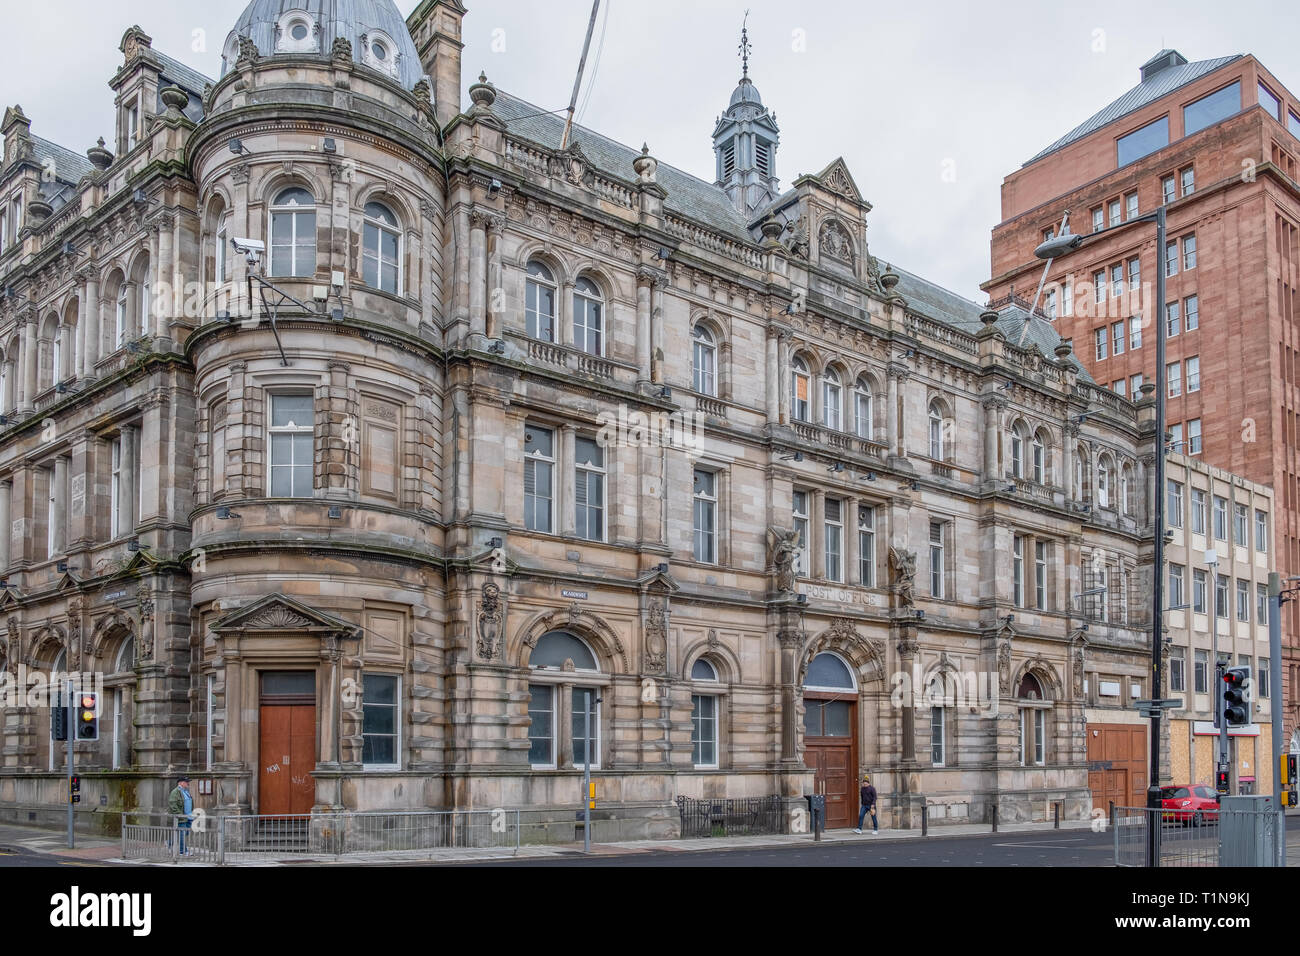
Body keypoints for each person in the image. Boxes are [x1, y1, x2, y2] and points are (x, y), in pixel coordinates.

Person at [167, 776, 194, 854]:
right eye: (186, 782)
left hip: (188, 817)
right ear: (180, 783)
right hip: (182, 817)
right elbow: (173, 804)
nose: (188, 783)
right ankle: (183, 851)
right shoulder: (175, 792)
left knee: (184, 833)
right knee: (182, 834)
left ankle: (169, 843)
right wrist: (180, 815)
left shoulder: (185, 791)